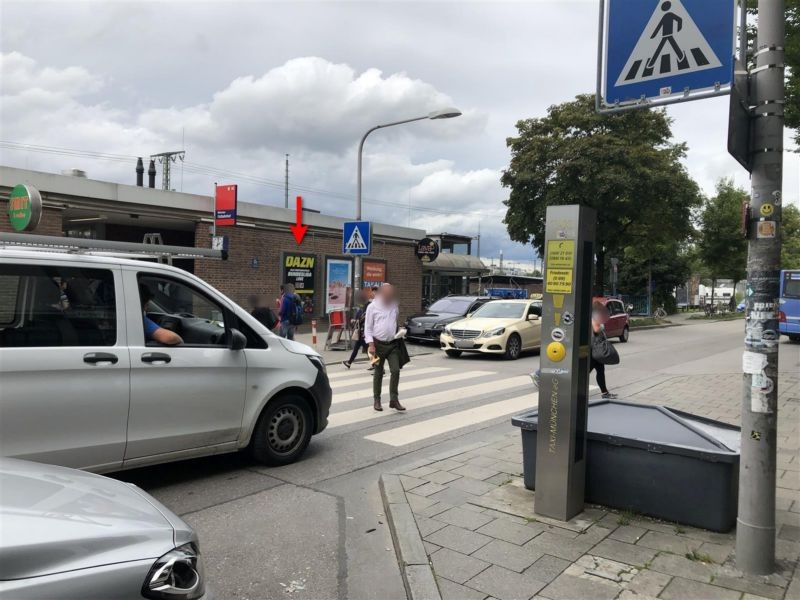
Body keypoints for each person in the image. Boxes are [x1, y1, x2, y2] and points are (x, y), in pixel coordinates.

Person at [364, 284, 409, 412]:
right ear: (382, 293)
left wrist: (399, 331)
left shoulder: (394, 305)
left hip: (392, 344)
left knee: (395, 370)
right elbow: (368, 328)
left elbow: (394, 320)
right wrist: (371, 345)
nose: (390, 297)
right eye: (388, 295)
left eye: (391, 295)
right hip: (377, 345)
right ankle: (377, 400)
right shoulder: (372, 307)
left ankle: (394, 400)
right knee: (378, 372)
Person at [343, 287, 377, 370]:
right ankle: (349, 363)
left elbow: (366, 317)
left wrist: (356, 320)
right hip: (362, 332)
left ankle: (376, 365)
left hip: (365, 333)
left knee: (368, 349)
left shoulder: (370, 305)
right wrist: (356, 320)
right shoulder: (366, 305)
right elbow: (362, 317)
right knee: (358, 348)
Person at [591, 301, 617, 399]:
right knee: (593, 371)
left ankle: (605, 392)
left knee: (600, 370)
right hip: (594, 347)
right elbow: (596, 330)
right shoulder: (593, 317)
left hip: (595, 347)